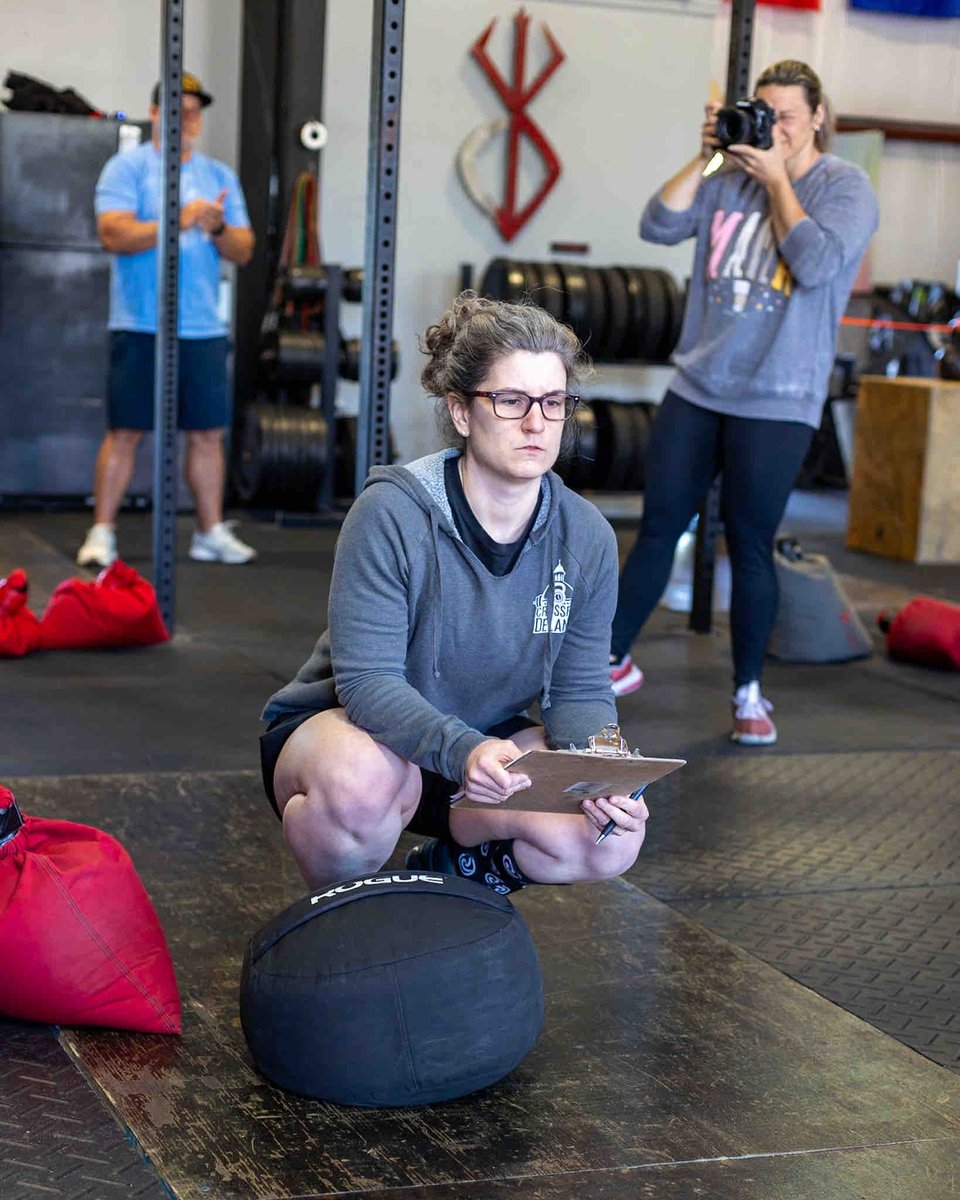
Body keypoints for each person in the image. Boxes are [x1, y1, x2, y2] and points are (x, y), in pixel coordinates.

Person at [259, 293, 649, 894]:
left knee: (609, 839)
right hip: (362, 737)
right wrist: (463, 751)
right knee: (364, 779)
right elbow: (369, 685)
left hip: (482, 756)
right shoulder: (392, 512)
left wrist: (605, 772)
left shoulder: (586, 535)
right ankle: (338, 921)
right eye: (511, 400)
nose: (535, 423)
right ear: (462, 411)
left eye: (553, 402)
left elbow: (579, 690)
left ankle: (451, 876)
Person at [609, 60, 879, 745]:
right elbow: (656, 224)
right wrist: (707, 154)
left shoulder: (844, 186)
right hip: (699, 384)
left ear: (817, 117)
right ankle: (608, 661)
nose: (774, 128)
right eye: (765, 114)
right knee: (659, 525)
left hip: (779, 395)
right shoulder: (725, 176)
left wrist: (779, 180)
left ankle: (748, 693)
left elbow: (816, 264)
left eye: (787, 116)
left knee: (749, 543)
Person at [76, 73, 257, 569]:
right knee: (127, 430)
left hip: (201, 327)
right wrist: (176, 217)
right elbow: (113, 233)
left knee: (206, 434)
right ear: (156, 113)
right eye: (180, 109)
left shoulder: (220, 176)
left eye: (197, 111)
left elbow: (243, 249)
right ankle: (102, 531)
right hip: (139, 323)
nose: (189, 120)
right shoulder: (127, 168)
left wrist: (217, 225)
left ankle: (209, 531)